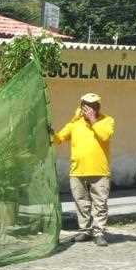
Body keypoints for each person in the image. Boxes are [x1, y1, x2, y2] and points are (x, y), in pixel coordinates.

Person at [53, 92, 115, 246]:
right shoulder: (74, 124)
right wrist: (49, 132)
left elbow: (105, 136)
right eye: (88, 106)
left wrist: (93, 120)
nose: (92, 109)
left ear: (98, 107)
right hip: (77, 171)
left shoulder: (107, 121)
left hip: (100, 172)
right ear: (81, 107)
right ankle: (84, 231)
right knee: (81, 203)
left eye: (94, 106)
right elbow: (59, 138)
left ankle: (98, 232)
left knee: (100, 204)